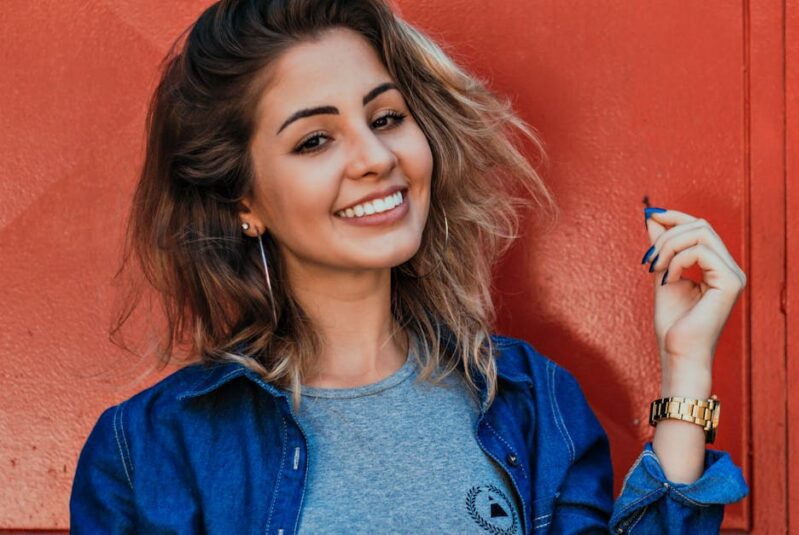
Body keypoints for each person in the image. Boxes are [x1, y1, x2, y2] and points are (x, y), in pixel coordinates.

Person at [69, 0, 749, 533]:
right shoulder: (153, 452)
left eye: (386, 116)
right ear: (245, 201)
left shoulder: (532, 403)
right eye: (314, 139)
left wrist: (684, 369)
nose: (374, 157)